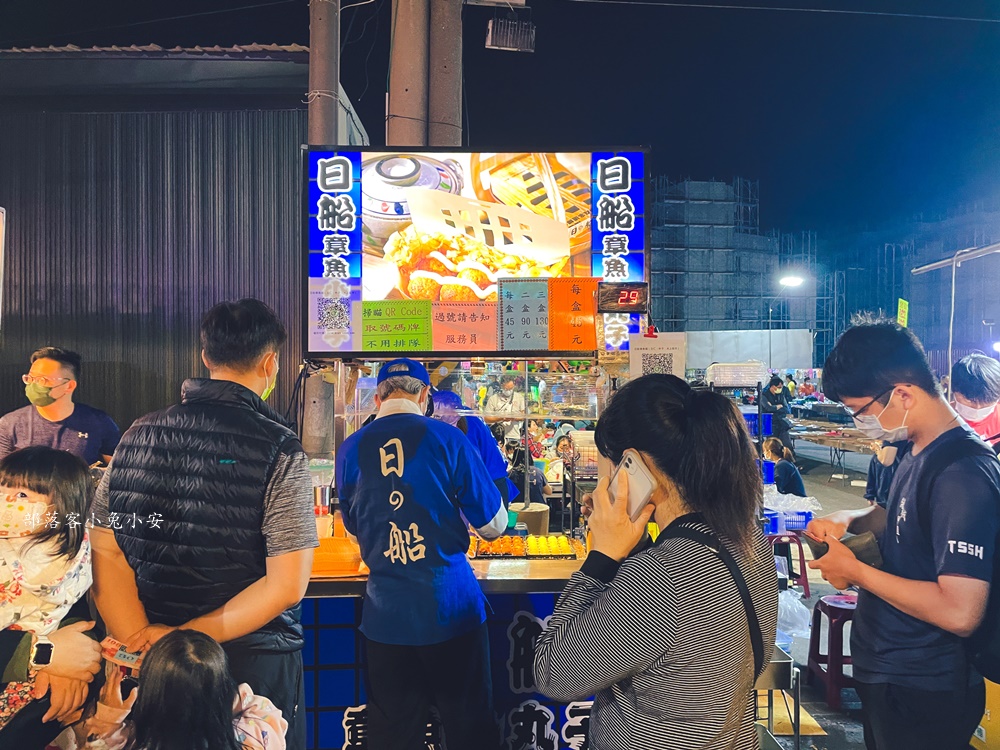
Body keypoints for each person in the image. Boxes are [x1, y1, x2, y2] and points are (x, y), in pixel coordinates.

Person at [89, 299, 317, 750]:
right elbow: (286, 586)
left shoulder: (137, 433)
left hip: (155, 661)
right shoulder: (279, 447)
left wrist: (146, 644)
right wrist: (189, 636)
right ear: (271, 363)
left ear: (205, 358)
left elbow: (106, 550)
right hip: (250, 660)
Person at [534, 374, 779, 749]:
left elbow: (554, 673)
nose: (609, 479)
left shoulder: (661, 574)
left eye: (613, 466)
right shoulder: (749, 539)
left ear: (633, 465)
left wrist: (602, 557)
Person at [807, 319, 1000, 750]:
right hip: (888, 668)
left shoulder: (962, 473)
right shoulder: (915, 449)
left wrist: (855, 571)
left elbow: (960, 612)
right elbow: (892, 517)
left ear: (903, 394)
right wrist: (849, 519)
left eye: (861, 412)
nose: (862, 425)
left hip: (926, 684)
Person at [335, 359, 506, 750]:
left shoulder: (350, 449)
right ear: (425, 395)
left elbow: (351, 525)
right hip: (452, 611)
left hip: (386, 618)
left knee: (394, 735)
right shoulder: (449, 440)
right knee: (470, 730)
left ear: (378, 398)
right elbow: (494, 525)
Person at [0, 448, 102, 746]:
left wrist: (74, 665)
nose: (7, 502)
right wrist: (42, 654)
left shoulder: (66, 550)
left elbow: (71, 607)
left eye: (22, 497)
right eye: (2, 489)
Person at [59, 630, 287, 750]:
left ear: (152, 694)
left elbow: (97, 746)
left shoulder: (141, 742)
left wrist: (108, 719)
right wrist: (210, 698)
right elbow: (257, 705)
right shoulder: (256, 739)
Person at [0, 348, 121, 466]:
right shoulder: (10, 424)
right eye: (30, 378)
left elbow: (117, 469)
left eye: (43, 380)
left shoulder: (99, 422)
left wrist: (93, 476)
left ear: (69, 386)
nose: (33, 385)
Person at [430, 389, 517, 506]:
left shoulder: (464, 423)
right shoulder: (465, 414)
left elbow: (470, 465)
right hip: (491, 481)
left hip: (489, 485)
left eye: (436, 416)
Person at [951, 353, 1000, 448]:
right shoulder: (937, 423)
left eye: (986, 401)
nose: (978, 407)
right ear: (954, 391)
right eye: (969, 400)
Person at [484, 373, 526, 442]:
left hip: (513, 436)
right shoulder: (493, 399)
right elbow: (486, 419)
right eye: (506, 389)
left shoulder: (519, 398)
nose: (509, 391)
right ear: (501, 386)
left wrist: (513, 417)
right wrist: (501, 418)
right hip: (497, 436)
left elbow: (523, 415)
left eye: (511, 388)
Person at [863, 441, 903, 508]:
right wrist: (870, 494)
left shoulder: (903, 460)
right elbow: (872, 476)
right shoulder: (876, 458)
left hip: (897, 498)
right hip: (882, 498)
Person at [761, 375, 794, 450]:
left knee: (787, 444)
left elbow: (786, 409)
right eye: (779, 387)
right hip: (770, 424)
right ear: (772, 386)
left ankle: (790, 458)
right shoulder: (764, 395)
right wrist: (778, 406)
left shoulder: (780, 395)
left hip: (781, 423)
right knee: (772, 446)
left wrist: (775, 407)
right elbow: (768, 408)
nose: (780, 389)